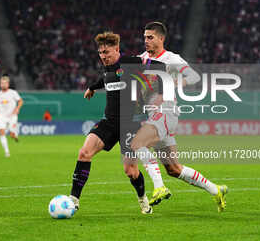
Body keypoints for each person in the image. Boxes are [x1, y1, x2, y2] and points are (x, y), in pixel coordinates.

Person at [132, 21, 228, 212]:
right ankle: (215, 189)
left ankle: (159, 188)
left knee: (137, 143)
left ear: (161, 38)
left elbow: (194, 77)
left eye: (150, 37)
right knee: (174, 169)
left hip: (166, 113)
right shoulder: (141, 59)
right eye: (144, 37)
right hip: (153, 115)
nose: (146, 41)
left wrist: (171, 82)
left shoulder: (172, 58)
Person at [69, 31, 154, 214]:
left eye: (106, 52)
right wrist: (92, 87)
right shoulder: (108, 68)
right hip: (110, 122)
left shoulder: (132, 63)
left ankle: (142, 198)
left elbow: (156, 65)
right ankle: (73, 200)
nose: (103, 57)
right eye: (100, 53)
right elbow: (106, 79)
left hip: (131, 124)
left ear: (117, 49)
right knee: (84, 152)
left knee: (131, 171)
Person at [0, 76, 23, 157]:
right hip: (2, 116)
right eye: (1, 83)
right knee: (1, 132)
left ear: (8, 84)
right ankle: (7, 152)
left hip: (12, 116)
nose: (3, 85)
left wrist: (17, 108)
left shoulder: (13, 93)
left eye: (4, 83)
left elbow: (20, 101)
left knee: (11, 134)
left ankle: (14, 134)